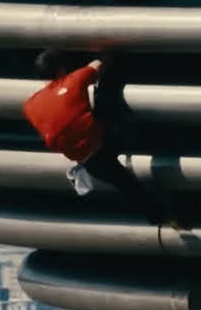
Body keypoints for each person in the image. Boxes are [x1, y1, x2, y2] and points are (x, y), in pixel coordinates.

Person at [23, 49, 179, 229]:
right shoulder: (74, 80)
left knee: (129, 187)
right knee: (105, 90)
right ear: (61, 69)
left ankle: (163, 218)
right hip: (108, 139)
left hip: (89, 160)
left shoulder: (30, 105)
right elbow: (99, 64)